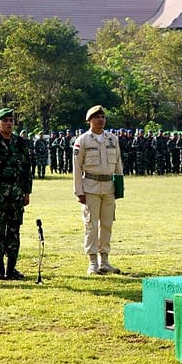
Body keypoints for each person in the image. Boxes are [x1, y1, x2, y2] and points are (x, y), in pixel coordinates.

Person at [0, 108, 33, 280]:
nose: (9, 124)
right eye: (5, 121)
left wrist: (27, 192)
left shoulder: (20, 143)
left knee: (14, 230)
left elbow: (27, 169)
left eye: (11, 120)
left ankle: (11, 268)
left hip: (16, 194)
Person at [72, 105, 124, 275]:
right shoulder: (83, 140)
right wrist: (78, 190)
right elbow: (77, 167)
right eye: (96, 117)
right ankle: (92, 261)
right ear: (89, 120)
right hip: (90, 187)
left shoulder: (112, 139)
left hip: (108, 187)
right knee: (91, 225)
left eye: (102, 116)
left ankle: (105, 260)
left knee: (107, 224)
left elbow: (118, 164)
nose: (100, 119)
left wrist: (119, 187)